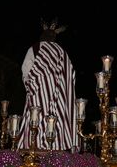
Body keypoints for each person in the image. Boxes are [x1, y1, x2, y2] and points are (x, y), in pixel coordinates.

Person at [19, 19, 77, 151]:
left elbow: (26, 70)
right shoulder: (62, 52)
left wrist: (30, 86)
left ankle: (33, 146)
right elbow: (71, 75)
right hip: (59, 97)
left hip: (38, 93)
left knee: (36, 118)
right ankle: (55, 148)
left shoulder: (35, 48)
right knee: (56, 120)